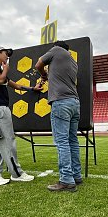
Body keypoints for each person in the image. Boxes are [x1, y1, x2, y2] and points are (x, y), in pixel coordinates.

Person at [0, 46, 41, 186]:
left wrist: (31, 88)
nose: (7, 56)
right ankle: (17, 174)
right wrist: (6, 70)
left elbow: (15, 85)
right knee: (8, 141)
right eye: (5, 53)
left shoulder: (0, 70)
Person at [35, 40, 82, 192]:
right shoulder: (73, 61)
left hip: (61, 102)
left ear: (56, 47)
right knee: (72, 141)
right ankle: (76, 176)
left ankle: (66, 180)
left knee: (62, 142)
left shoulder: (56, 50)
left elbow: (38, 64)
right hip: (75, 103)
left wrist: (44, 74)